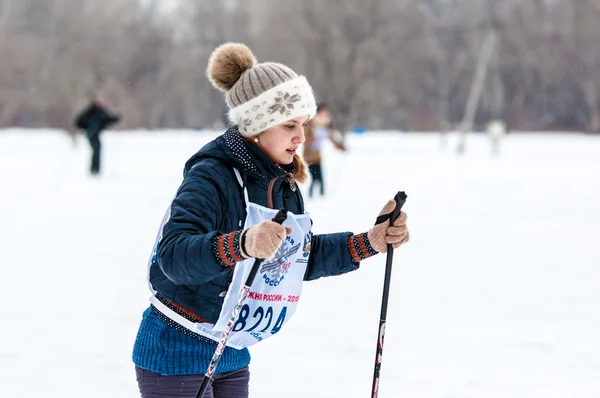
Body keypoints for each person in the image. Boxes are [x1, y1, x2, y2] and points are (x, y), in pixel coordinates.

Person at [131, 43, 410, 398]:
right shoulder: (213, 176)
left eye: (304, 124)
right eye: (289, 124)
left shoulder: (280, 183)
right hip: (176, 350)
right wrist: (242, 244)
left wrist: (368, 242)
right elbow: (173, 257)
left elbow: (293, 258)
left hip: (230, 352)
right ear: (256, 126)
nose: (301, 137)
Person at [303, 103, 346, 198]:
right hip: (309, 155)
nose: (325, 114)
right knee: (315, 178)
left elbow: (330, 136)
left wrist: (339, 146)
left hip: (318, 156)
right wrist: (310, 139)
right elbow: (304, 135)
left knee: (321, 178)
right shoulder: (310, 122)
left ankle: (321, 197)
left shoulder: (324, 124)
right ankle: (311, 197)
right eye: (323, 112)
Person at [73, 97, 120, 175]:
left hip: (96, 134)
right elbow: (80, 120)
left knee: (97, 150)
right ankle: (94, 169)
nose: (101, 104)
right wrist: (82, 127)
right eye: (100, 102)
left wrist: (115, 119)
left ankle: (95, 169)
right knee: (96, 150)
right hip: (91, 133)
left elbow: (107, 120)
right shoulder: (91, 111)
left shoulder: (101, 111)